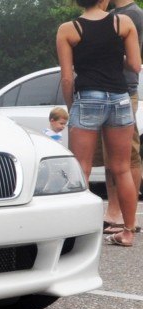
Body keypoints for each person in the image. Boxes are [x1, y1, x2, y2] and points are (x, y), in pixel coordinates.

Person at [56, 0, 141, 247]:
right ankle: (127, 231)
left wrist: (72, 107)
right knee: (122, 168)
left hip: (88, 97)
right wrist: (115, 57)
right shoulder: (122, 22)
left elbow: (66, 77)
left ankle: (76, 233)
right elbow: (135, 65)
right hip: (120, 97)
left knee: (81, 167)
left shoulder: (68, 29)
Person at [100, 0, 143, 235]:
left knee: (128, 155)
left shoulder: (133, 15)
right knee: (111, 155)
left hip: (125, 89)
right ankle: (114, 211)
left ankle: (127, 216)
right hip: (110, 88)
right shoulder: (113, 13)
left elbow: (133, 61)